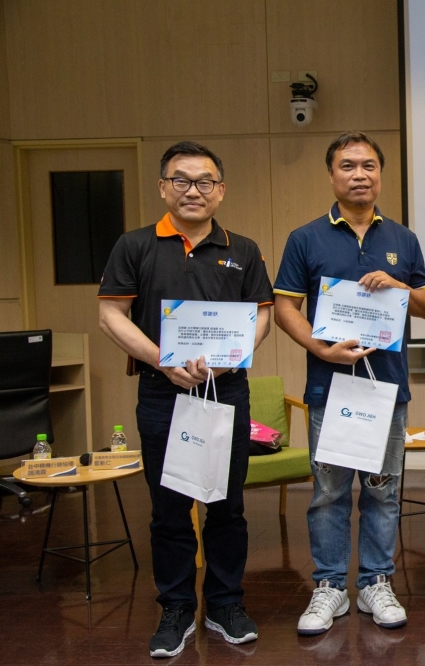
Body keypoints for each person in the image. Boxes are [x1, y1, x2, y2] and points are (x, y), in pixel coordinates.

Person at [98, 142, 274, 657]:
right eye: (181, 180)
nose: (192, 190)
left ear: (220, 190)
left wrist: (227, 360)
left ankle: (224, 604)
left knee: (227, 505)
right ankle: (175, 608)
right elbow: (111, 314)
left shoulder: (242, 249)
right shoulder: (134, 245)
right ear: (162, 187)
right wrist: (161, 360)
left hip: (225, 390)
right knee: (168, 507)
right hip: (161, 390)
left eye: (204, 182)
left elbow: (261, 316)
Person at [273, 131, 425, 634]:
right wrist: (320, 348)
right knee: (329, 491)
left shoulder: (402, 239)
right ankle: (327, 587)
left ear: (380, 174)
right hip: (330, 387)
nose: (359, 175)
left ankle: (375, 582)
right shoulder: (305, 238)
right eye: (348, 166)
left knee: (384, 491)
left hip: (387, 389)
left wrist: (401, 286)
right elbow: (284, 308)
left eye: (368, 166)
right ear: (331, 175)